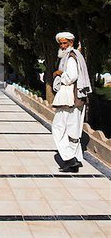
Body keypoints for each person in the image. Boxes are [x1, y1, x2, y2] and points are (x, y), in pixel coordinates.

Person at [51, 32, 92, 172]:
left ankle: (69, 158)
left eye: (65, 43)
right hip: (77, 99)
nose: (62, 46)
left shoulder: (70, 57)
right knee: (73, 130)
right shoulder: (76, 55)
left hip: (69, 98)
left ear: (71, 43)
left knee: (57, 128)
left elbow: (71, 77)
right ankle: (76, 159)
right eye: (61, 43)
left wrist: (59, 73)